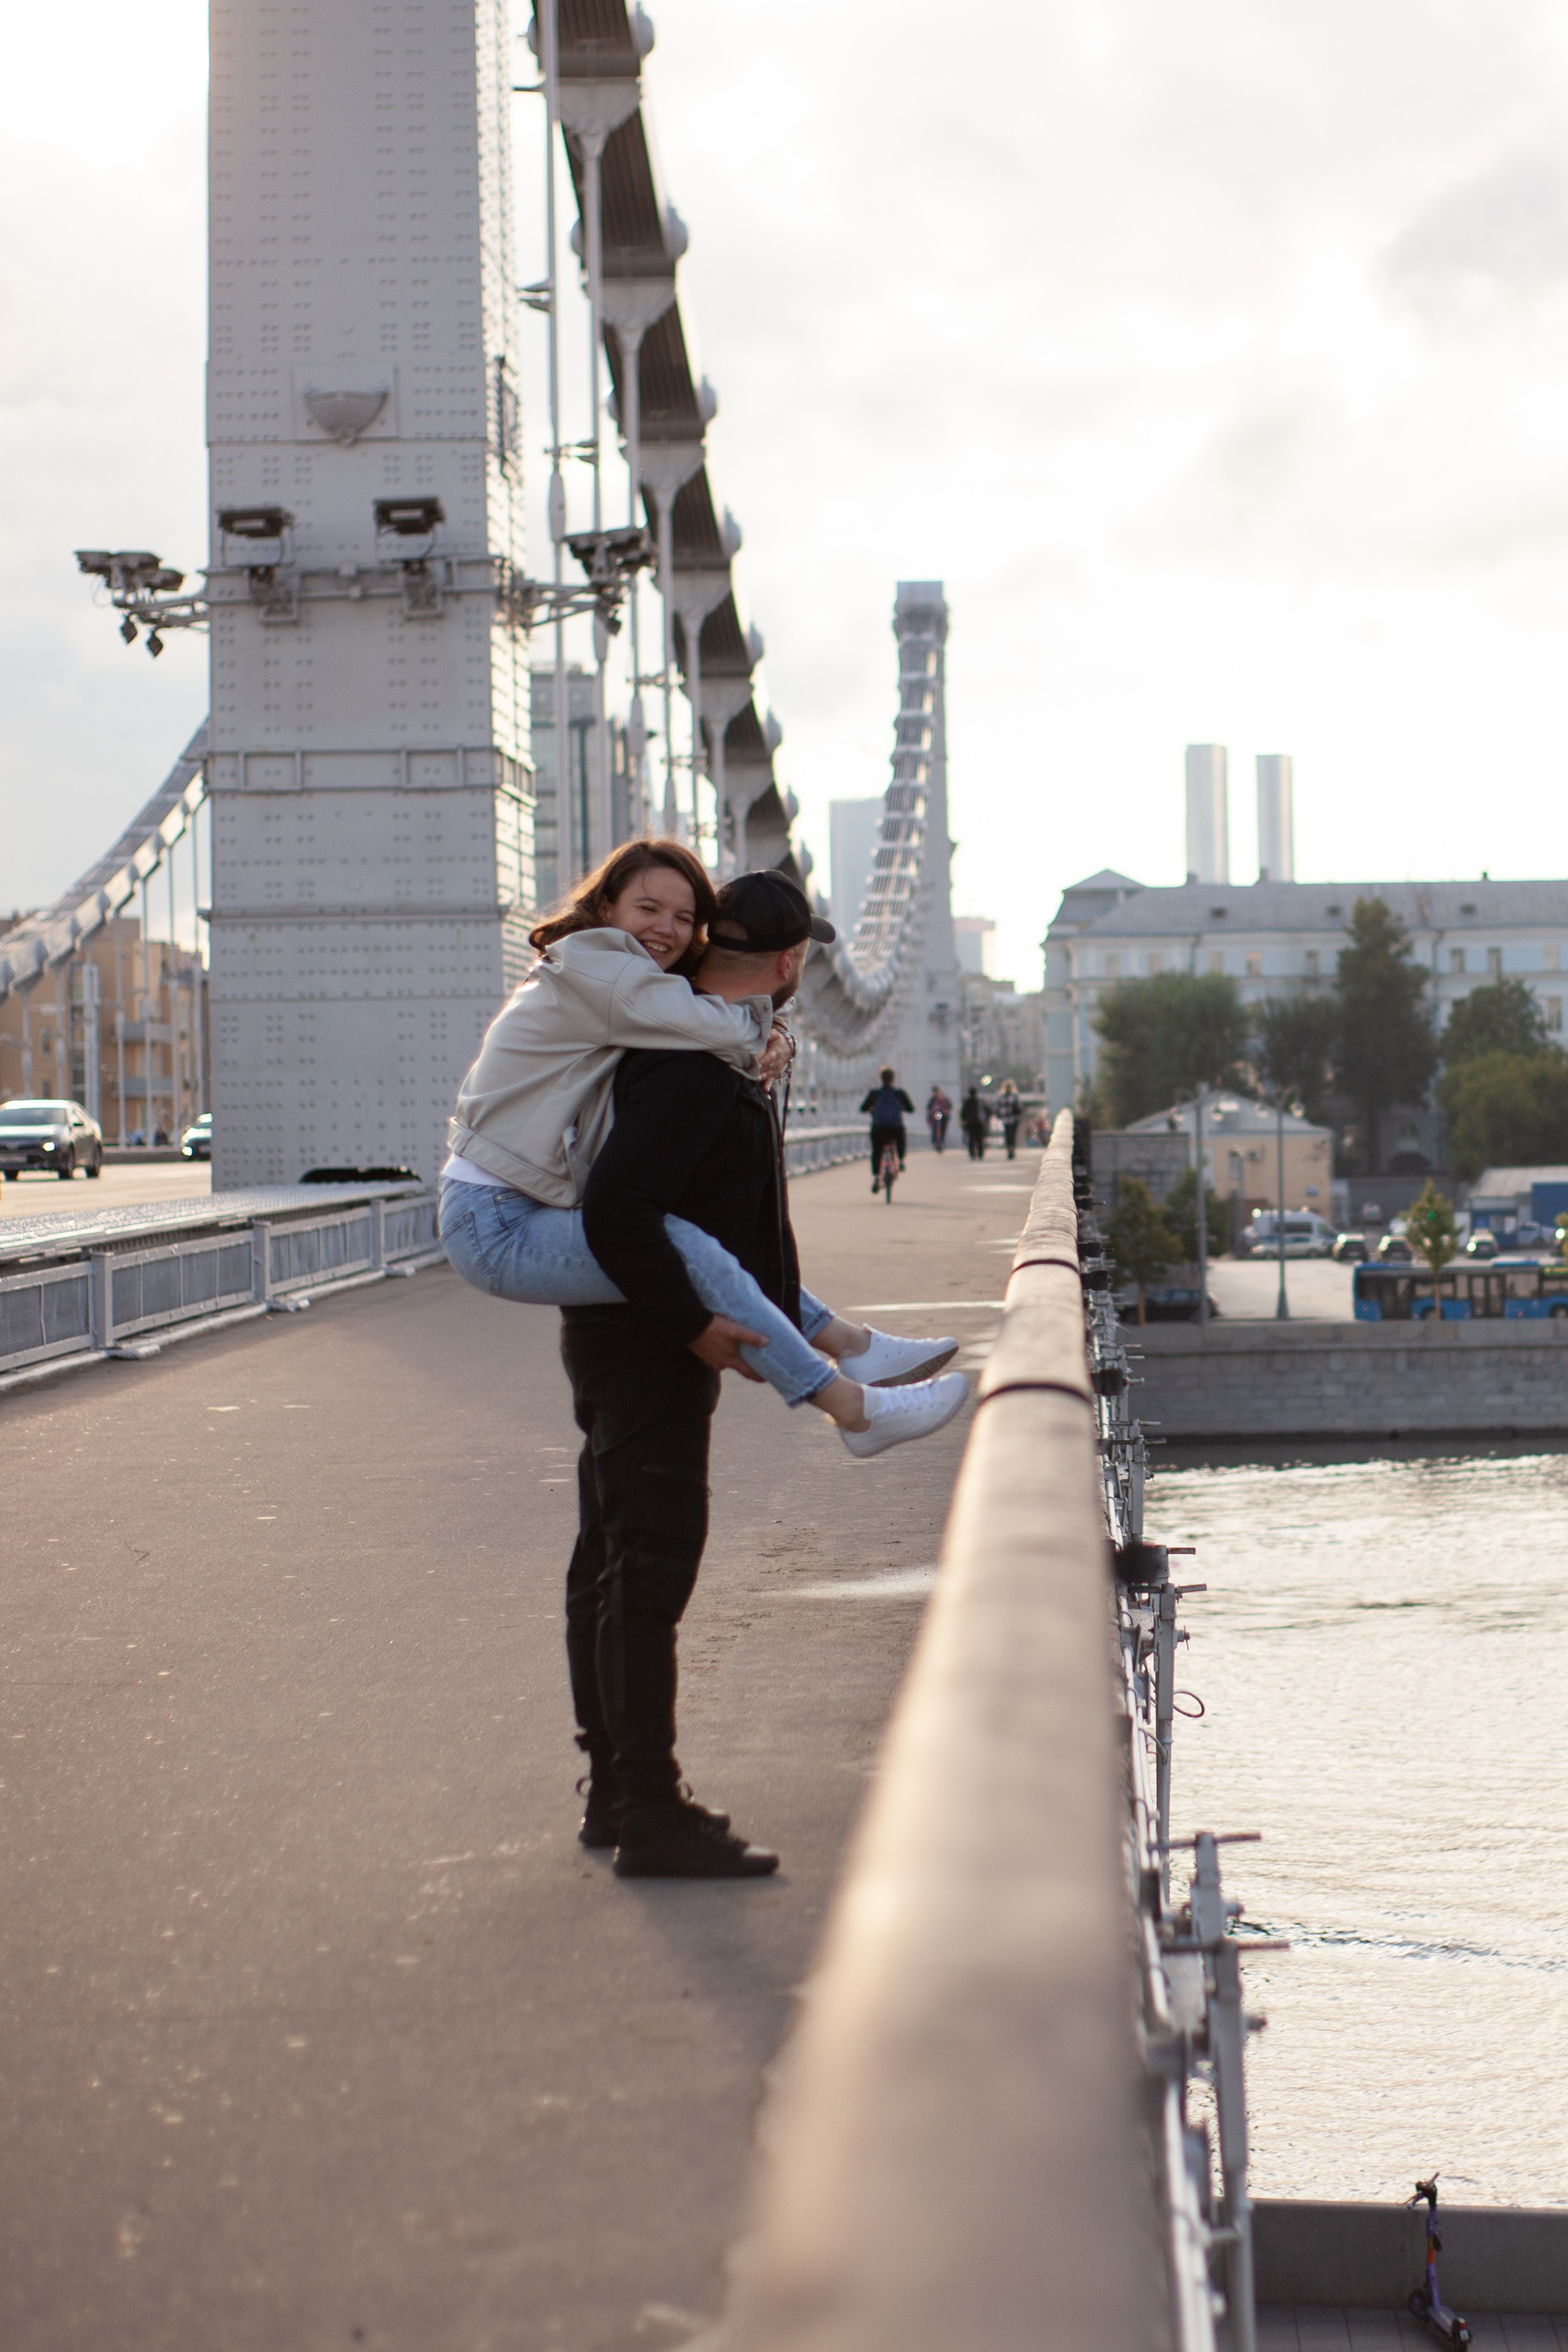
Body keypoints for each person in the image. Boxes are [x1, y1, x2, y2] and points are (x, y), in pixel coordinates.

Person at [563, 874, 968, 1877]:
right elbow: (621, 1213)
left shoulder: (706, 1048)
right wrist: (694, 1324)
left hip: (626, 1332)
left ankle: (617, 1794)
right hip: (646, 1341)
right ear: (791, 964)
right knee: (646, 1565)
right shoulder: (690, 1067)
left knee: (613, 1559)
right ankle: (647, 1812)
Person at [438, 843, 961, 1442]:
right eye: (648, 908)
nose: (666, 929)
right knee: (689, 1250)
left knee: (712, 1249)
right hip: (495, 1223)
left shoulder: (624, 972)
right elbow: (720, 1017)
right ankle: (851, 1408)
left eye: (684, 919)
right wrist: (773, 1036)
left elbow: (716, 1007)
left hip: (516, 1202)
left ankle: (853, 1346)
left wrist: (778, 1034)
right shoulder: (604, 974)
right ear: (606, 906)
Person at [859, 1065, 914, 1191]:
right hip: (895, 1129)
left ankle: (877, 1177)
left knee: (877, 1151)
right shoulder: (899, 1094)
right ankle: (901, 1161)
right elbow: (911, 1109)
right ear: (893, 1079)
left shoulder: (875, 1094)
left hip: (879, 1129)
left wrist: (871, 1109)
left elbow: (863, 1109)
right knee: (901, 1136)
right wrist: (903, 1108)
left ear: (881, 1079)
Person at [961, 1086, 989, 1160]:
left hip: (970, 1123)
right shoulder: (980, 1101)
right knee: (980, 1139)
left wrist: (964, 1121)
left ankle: (973, 1154)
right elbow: (987, 1111)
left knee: (971, 1139)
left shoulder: (967, 1102)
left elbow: (964, 1113)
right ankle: (980, 1154)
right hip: (980, 1123)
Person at [996, 1080, 1022, 1160]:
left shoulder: (1001, 1097)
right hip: (1014, 1119)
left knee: (1008, 1135)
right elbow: (1019, 1108)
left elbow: (998, 1108)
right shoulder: (1015, 1096)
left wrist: (1000, 1116)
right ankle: (1012, 1149)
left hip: (1005, 1119)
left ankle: (1009, 1149)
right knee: (1013, 1135)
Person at [926, 1085, 952, 1153]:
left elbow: (949, 1107)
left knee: (943, 1131)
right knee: (936, 1130)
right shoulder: (932, 1100)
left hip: (944, 1117)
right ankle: (937, 1143)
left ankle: (941, 1144)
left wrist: (945, 1111)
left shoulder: (945, 1099)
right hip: (936, 1117)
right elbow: (929, 1109)